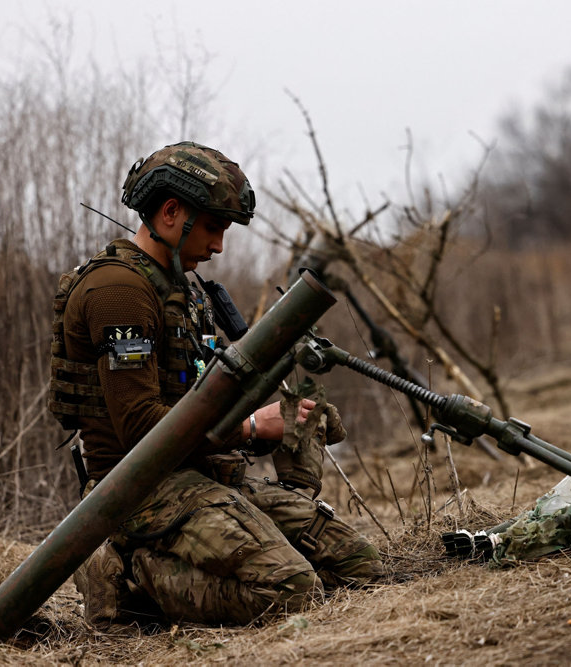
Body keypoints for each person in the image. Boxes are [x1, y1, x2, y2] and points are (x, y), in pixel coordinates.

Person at [48, 141, 383, 629]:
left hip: (202, 469)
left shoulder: (186, 287)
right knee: (291, 591)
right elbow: (141, 427)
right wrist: (251, 429)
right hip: (137, 489)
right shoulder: (118, 292)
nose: (220, 245)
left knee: (358, 564)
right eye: (213, 227)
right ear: (169, 213)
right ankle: (127, 572)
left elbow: (204, 394)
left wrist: (287, 418)